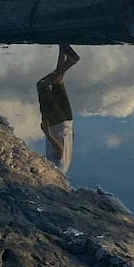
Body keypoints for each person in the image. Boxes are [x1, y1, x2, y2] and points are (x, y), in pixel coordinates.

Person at [37, 44, 79, 172]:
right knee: (42, 85)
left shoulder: (66, 166)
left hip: (68, 122)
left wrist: (69, 129)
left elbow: (71, 139)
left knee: (57, 83)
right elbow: (58, 151)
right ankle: (70, 62)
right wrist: (47, 133)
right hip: (55, 123)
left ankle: (63, 48)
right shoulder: (57, 170)